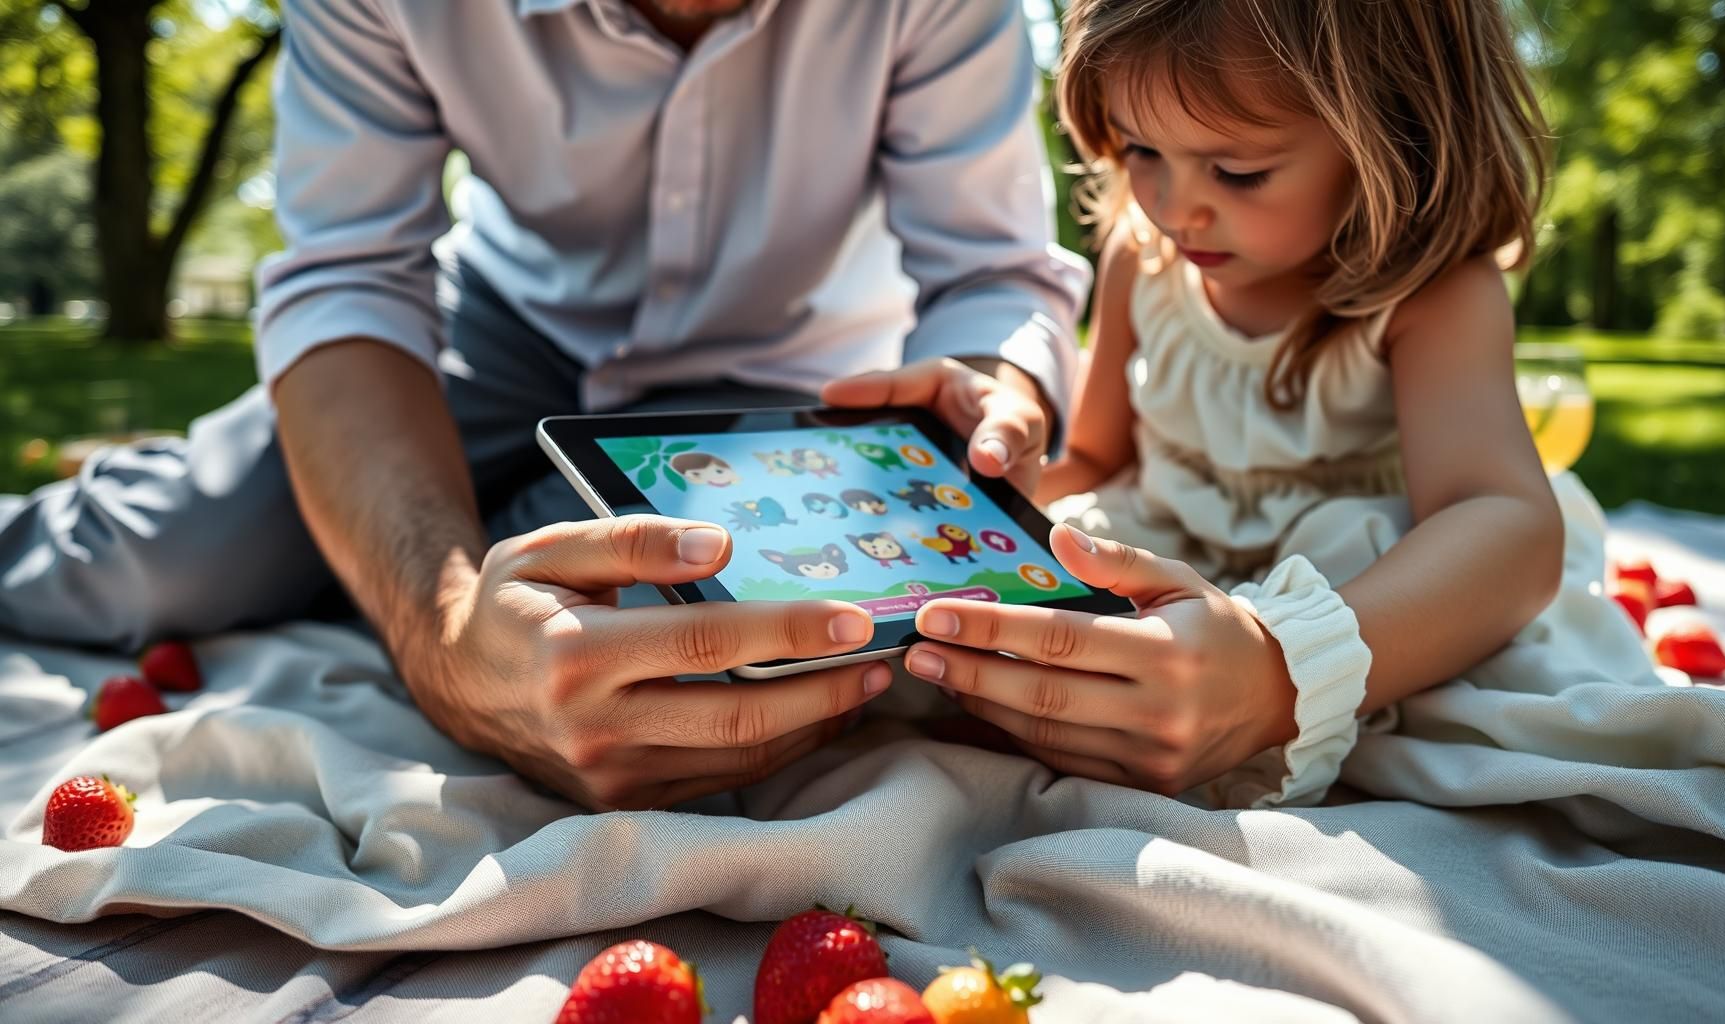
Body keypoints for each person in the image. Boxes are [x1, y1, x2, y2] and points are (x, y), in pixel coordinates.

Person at [0, 0, 1089, 811]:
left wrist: (991, 384)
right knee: (164, 557)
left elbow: (988, 274)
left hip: (790, 387)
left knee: (651, 640)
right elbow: (348, 275)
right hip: (491, 336)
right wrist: (440, 639)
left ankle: (491, 513)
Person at [890, 0, 1574, 807]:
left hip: (1367, 601)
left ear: (1393, 139)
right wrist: (965, 503)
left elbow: (1506, 521)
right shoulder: (1140, 263)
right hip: (1176, 557)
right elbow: (1102, 461)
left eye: (1239, 171)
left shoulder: (1432, 295)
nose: (1176, 208)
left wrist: (1277, 664)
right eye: (1141, 150)